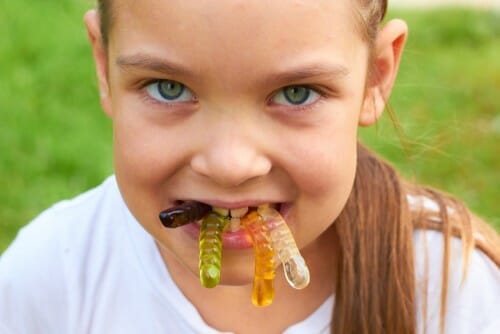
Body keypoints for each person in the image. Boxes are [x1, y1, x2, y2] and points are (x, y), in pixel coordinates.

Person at [0, 0, 499, 333]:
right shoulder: (54, 278)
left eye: (295, 93)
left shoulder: (453, 294)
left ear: (376, 77)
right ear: (103, 67)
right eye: (167, 88)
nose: (230, 165)